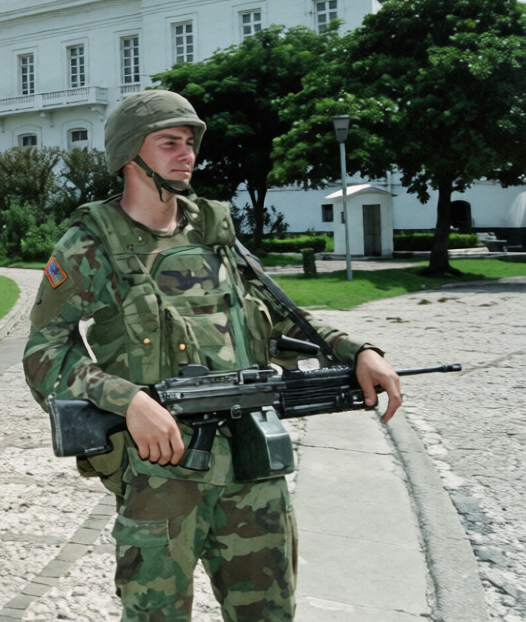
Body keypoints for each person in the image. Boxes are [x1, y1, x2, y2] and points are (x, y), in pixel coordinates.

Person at [23, 89, 401, 621]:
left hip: (252, 462)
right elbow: (44, 348)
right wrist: (128, 400)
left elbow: (280, 313)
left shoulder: (214, 231)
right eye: (170, 143)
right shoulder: (91, 246)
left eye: (190, 142)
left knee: (270, 613)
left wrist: (356, 350)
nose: (187, 154)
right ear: (130, 154)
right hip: (161, 476)